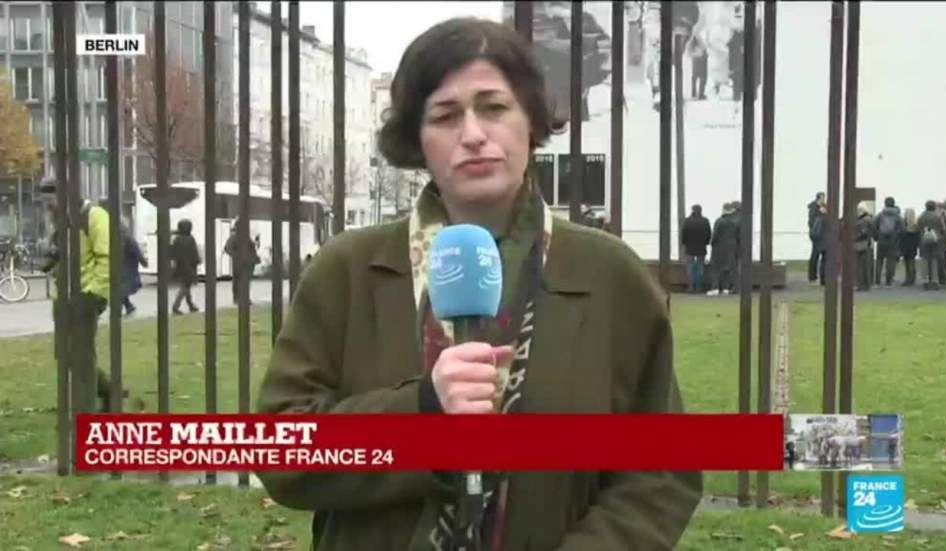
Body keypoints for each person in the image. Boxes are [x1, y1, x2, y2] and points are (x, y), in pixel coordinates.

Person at [255, 17, 701, 551]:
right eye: (445, 115)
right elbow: (283, 453)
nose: (472, 134)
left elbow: (663, 466)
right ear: (417, 140)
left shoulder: (609, 274)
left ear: (531, 121)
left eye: (493, 107)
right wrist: (421, 409)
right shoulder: (347, 270)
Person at [37, 177, 113, 413]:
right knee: (66, 356)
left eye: (51, 199)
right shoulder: (60, 222)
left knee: (82, 355)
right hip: (63, 298)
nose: (48, 205)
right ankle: (109, 391)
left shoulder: (94, 216)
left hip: (85, 296)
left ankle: (85, 410)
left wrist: (92, 294)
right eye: (45, 200)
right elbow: (58, 256)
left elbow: (107, 257)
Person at [224, 219, 259, 305]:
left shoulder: (244, 237)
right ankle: (239, 298)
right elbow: (227, 248)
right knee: (241, 281)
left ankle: (242, 298)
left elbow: (251, 248)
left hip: (245, 263)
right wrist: (236, 255)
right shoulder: (235, 237)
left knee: (243, 281)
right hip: (241, 263)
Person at [872, 196, 904, 286]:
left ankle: (877, 280)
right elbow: (902, 229)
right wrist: (897, 237)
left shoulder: (880, 215)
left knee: (879, 261)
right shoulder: (898, 216)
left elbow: (874, 226)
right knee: (891, 261)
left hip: (881, 240)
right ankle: (888, 280)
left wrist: (876, 237)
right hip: (893, 241)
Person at [171, 219, 201, 315]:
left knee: (186, 286)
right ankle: (176, 306)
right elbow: (194, 253)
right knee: (185, 287)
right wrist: (198, 261)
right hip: (189, 266)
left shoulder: (176, 239)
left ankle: (191, 305)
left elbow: (173, 253)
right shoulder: (190, 239)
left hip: (180, 266)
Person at [708, 203, 738, 296]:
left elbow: (715, 235)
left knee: (716, 269)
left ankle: (715, 288)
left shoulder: (719, 221)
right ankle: (726, 288)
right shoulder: (735, 222)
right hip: (731, 248)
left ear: (724, 210)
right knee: (727, 269)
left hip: (719, 248)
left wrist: (712, 243)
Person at [917, 200, 946, 291]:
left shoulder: (921, 216)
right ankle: (934, 281)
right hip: (936, 241)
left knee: (925, 261)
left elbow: (918, 228)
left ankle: (925, 281)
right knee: (934, 261)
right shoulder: (938, 216)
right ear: (934, 207)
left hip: (924, 241)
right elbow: (943, 229)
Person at [681, 204, 712, 293]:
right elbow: (709, 234)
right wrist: (706, 242)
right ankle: (698, 287)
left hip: (690, 248)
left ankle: (691, 287)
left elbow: (684, 234)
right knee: (700, 267)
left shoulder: (687, 221)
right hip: (701, 248)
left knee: (690, 267)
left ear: (692, 210)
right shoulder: (705, 221)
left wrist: (684, 243)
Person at [121, 221, 148, 316]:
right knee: (122, 288)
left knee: (119, 288)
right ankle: (125, 307)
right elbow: (136, 250)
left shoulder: (111, 237)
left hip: (117, 266)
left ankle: (128, 305)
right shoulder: (128, 238)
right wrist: (144, 262)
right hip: (127, 267)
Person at [807, 192, 827, 284]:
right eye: (822, 198)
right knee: (815, 255)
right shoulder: (813, 208)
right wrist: (821, 213)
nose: (824, 200)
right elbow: (812, 221)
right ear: (818, 199)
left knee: (822, 255)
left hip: (823, 235)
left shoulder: (825, 207)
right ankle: (812, 275)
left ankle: (822, 276)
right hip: (817, 235)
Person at [854, 204, 874, 291]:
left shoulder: (863, 221)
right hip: (867, 244)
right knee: (865, 266)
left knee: (860, 266)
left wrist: (853, 237)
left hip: (861, 244)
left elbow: (863, 232)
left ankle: (861, 285)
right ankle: (866, 284)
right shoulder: (870, 219)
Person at [899, 208, 920, 287]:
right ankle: (912, 278)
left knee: (907, 263)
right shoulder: (916, 225)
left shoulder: (903, 224)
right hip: (913, 246)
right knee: (912, 262)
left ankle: (907, 279)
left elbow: (900, 235)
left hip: (905, 246)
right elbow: (918, 236)